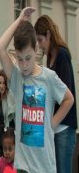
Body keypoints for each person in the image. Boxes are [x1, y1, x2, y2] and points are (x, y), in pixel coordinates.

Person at [0, 7, 74, 173]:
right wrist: (20, 20)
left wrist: (52, 123)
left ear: (37, 50)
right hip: (24, 165)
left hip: (45, 166)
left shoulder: (49, 77)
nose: (24, 65)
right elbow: (0, 46)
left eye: (28, 58)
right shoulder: (17, 77)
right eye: (20, 59)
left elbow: (69, 99)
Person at [34, 15, 77, 173]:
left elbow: (67, 98)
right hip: (55, 129)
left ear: (48, 35)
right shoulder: (50, 58)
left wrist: (50, 124)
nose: (39, 45)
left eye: (40, 39)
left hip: (64, 128)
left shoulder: (62, 55)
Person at [0, 69, 15, 159]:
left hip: (10, 147)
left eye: (4, 83)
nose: (1, 86)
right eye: (0, 83)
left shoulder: (11, 102)